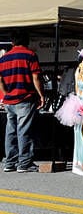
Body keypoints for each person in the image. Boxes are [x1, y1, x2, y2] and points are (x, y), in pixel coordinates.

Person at [0, 31, 45, 173]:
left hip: (9, 101)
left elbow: (0, 80)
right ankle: (24, 163)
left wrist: (6, 94)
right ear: (27, 41)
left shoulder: (4, 58)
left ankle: (10, 162)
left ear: (12, 42)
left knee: (10, 131)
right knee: (24, 130)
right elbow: (36, 77)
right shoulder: (30, 55)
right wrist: (41, 95)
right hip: (25, 98)